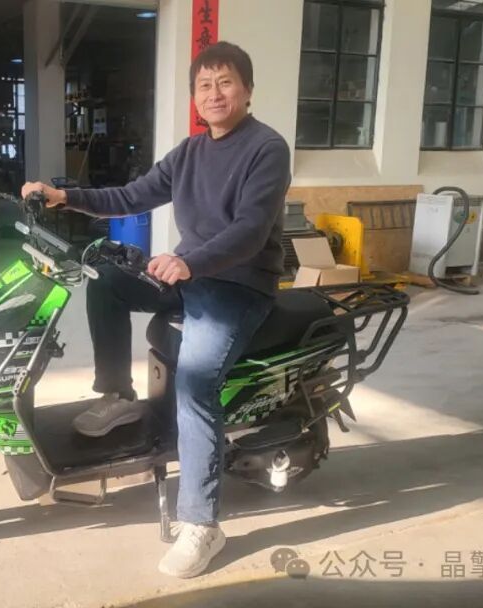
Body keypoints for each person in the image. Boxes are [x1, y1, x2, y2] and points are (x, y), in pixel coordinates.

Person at [21, 41, 291, 579]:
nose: (214, 94)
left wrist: (188, 261)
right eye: (204, 85)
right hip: (190, 275)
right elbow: (130, 196)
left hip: (237, 285)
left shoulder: (267, 148)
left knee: (194, 382)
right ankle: (118, 396)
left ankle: (202, 523)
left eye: (226, 82)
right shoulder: (190, 152)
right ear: (194, 96)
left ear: (248, 90)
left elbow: (249, 230)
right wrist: (64, 196)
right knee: (107, 284)